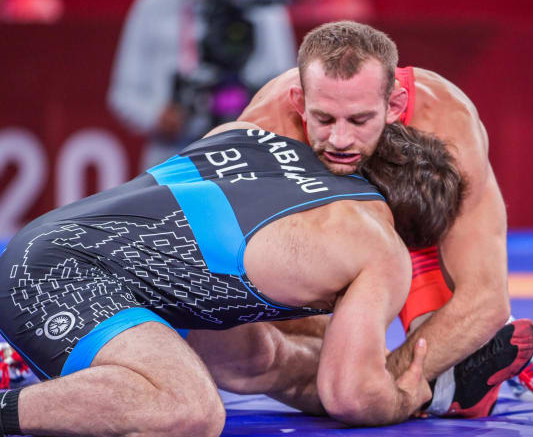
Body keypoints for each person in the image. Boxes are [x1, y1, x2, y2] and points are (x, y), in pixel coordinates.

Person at [0, 120, 466, 435]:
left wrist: (372, 374)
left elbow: (321, 359)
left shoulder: (252, 132)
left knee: (257, 353)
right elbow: (348, 395)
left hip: (61, 253)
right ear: (414, 236)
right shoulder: (380, 243)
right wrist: (403, 396)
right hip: (62, 281)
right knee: (191, 409)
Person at [230, 20, 533, 414]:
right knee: (268, 343)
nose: (340, 140)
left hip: (409, 234)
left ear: (393, 105)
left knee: (352, 380)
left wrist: (374, 387)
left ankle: (454, 357)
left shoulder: (445, 123)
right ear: (299, 102)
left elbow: (485, 299)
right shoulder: (264, 131)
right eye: (323, 119)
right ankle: (448, 377)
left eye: (359, 120)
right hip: (315, 234)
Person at [107, 0, 298, 170]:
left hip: (248, 157)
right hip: (173, 158)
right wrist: (157, 116)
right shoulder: (153, 6)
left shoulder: (264, 7)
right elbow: (124, 94)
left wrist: (254, 110)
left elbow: (284, 89)